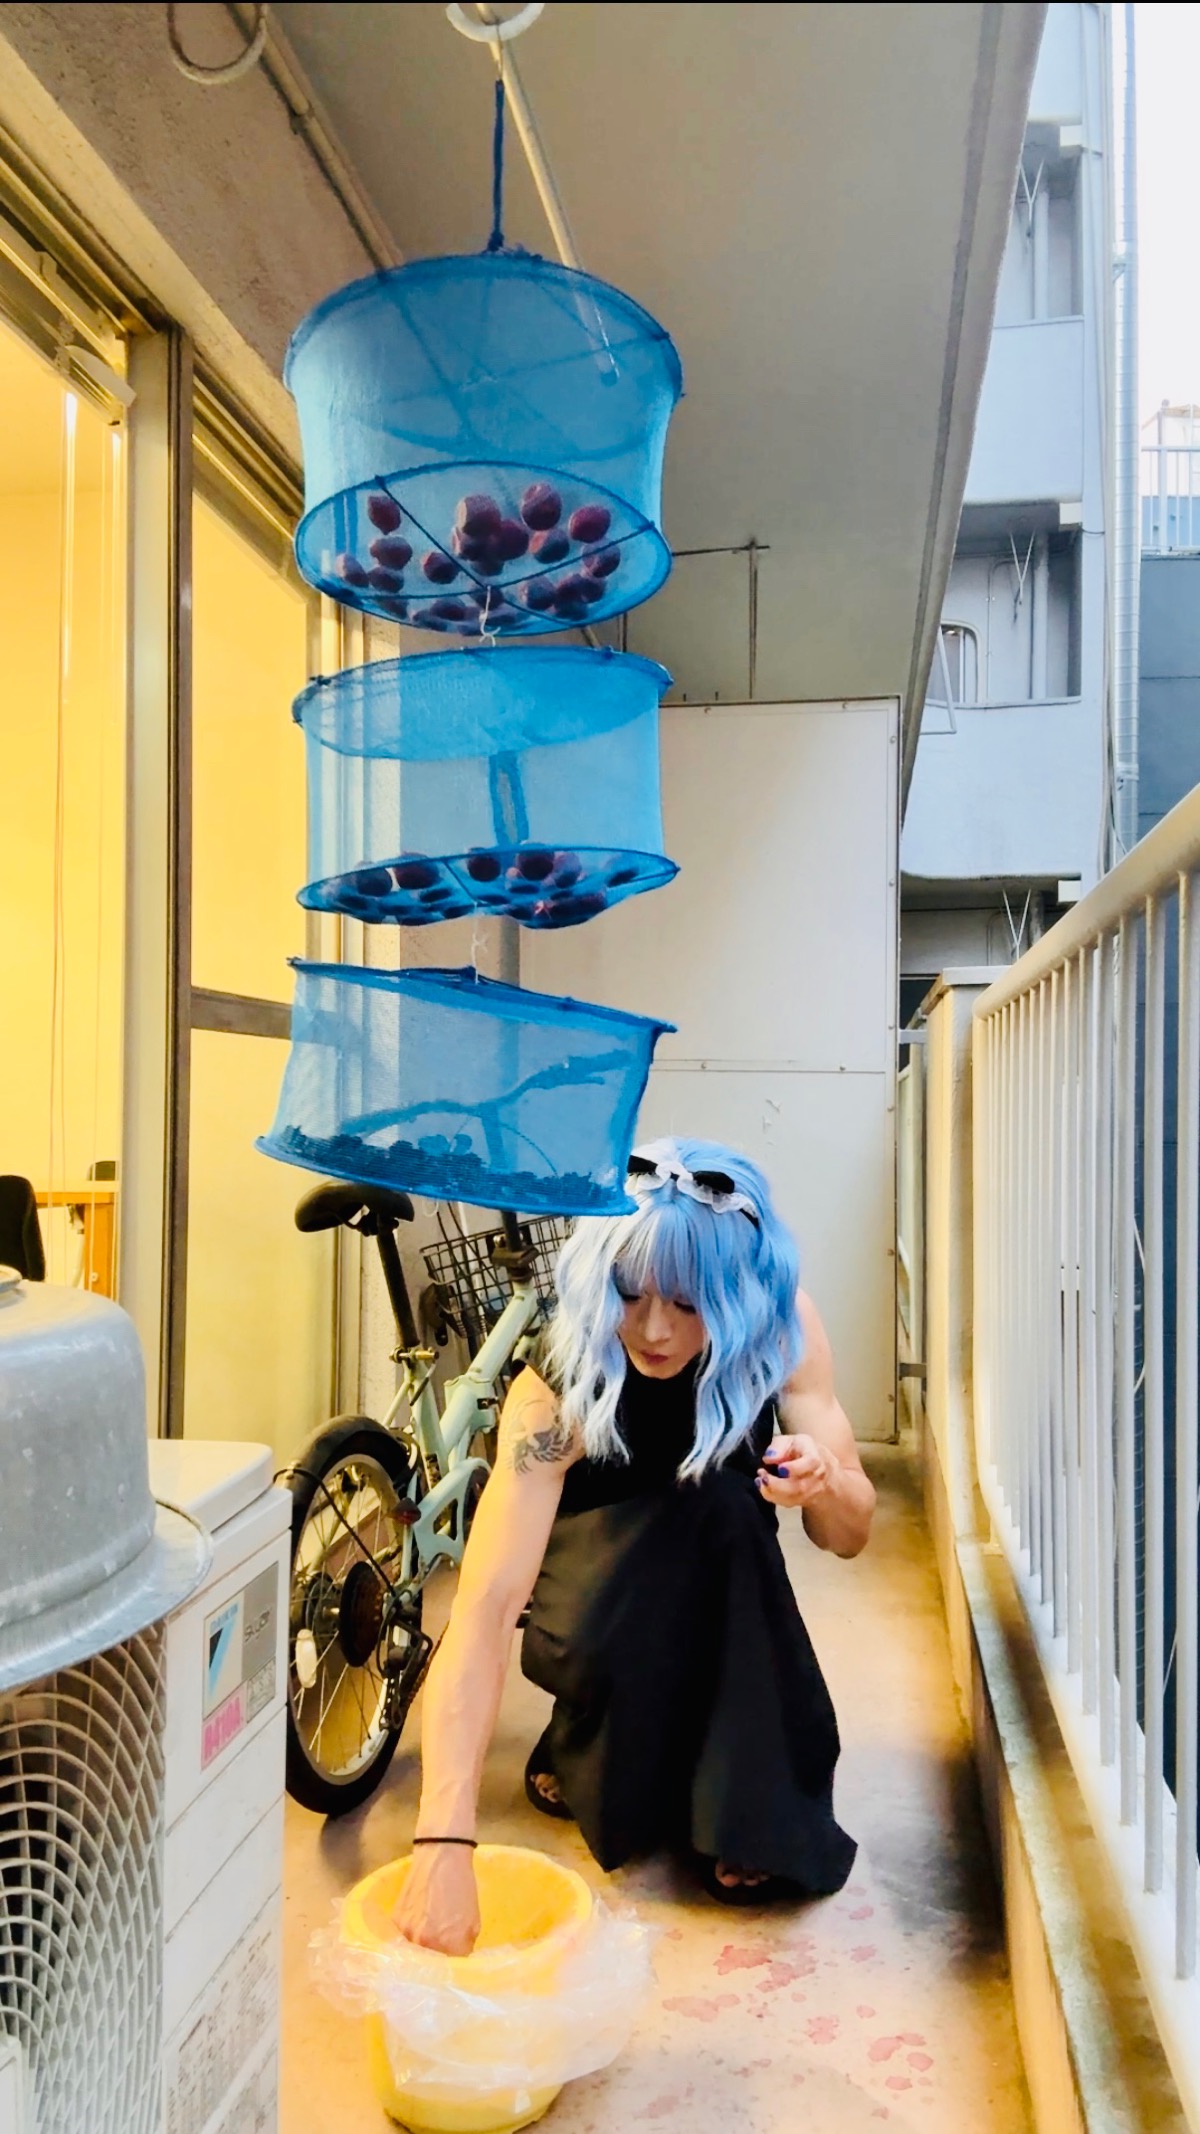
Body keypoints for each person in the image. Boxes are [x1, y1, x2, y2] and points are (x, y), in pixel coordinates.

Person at [396, 1136, 875, 1955]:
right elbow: (484, 1609)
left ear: (736, 1294)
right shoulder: (558, 1383)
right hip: (597, 1591)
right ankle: (587, 1737)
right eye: (629, 1292)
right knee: (651, 1584)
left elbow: (850, 1534)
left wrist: (826, 1479)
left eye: (689, 1303)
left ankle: (733, 1793)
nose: (653, 1329)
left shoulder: (783, 1326)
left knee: (724, 1509)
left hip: (721, 1583)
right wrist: (442, 1840)